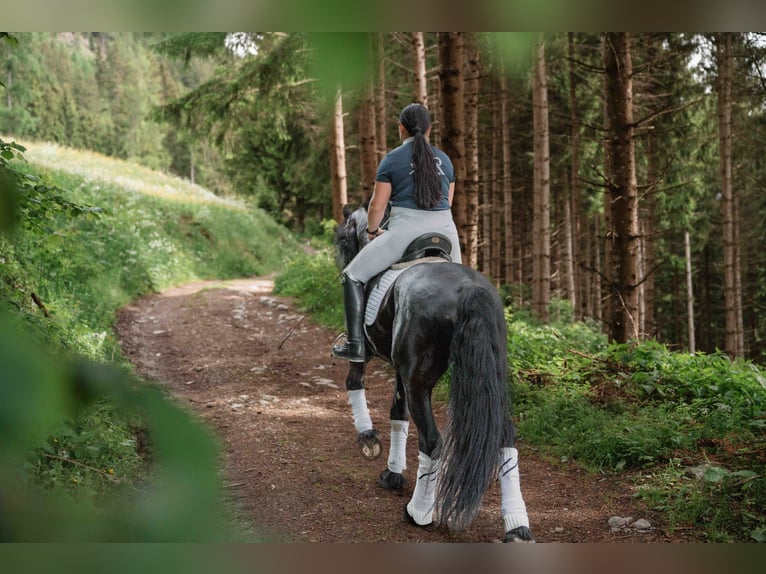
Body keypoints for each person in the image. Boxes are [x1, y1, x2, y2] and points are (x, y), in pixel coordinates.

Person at [332, 103, 462, 362]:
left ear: (401, 128)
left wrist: (371, 232)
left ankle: (355, 344)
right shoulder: (445, 160)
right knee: (463, 288)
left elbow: (377, 205)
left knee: (352, 276)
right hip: (448, 234)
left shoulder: (392, 159)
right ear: (429, 129)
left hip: (405, 232)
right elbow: (448, 201)